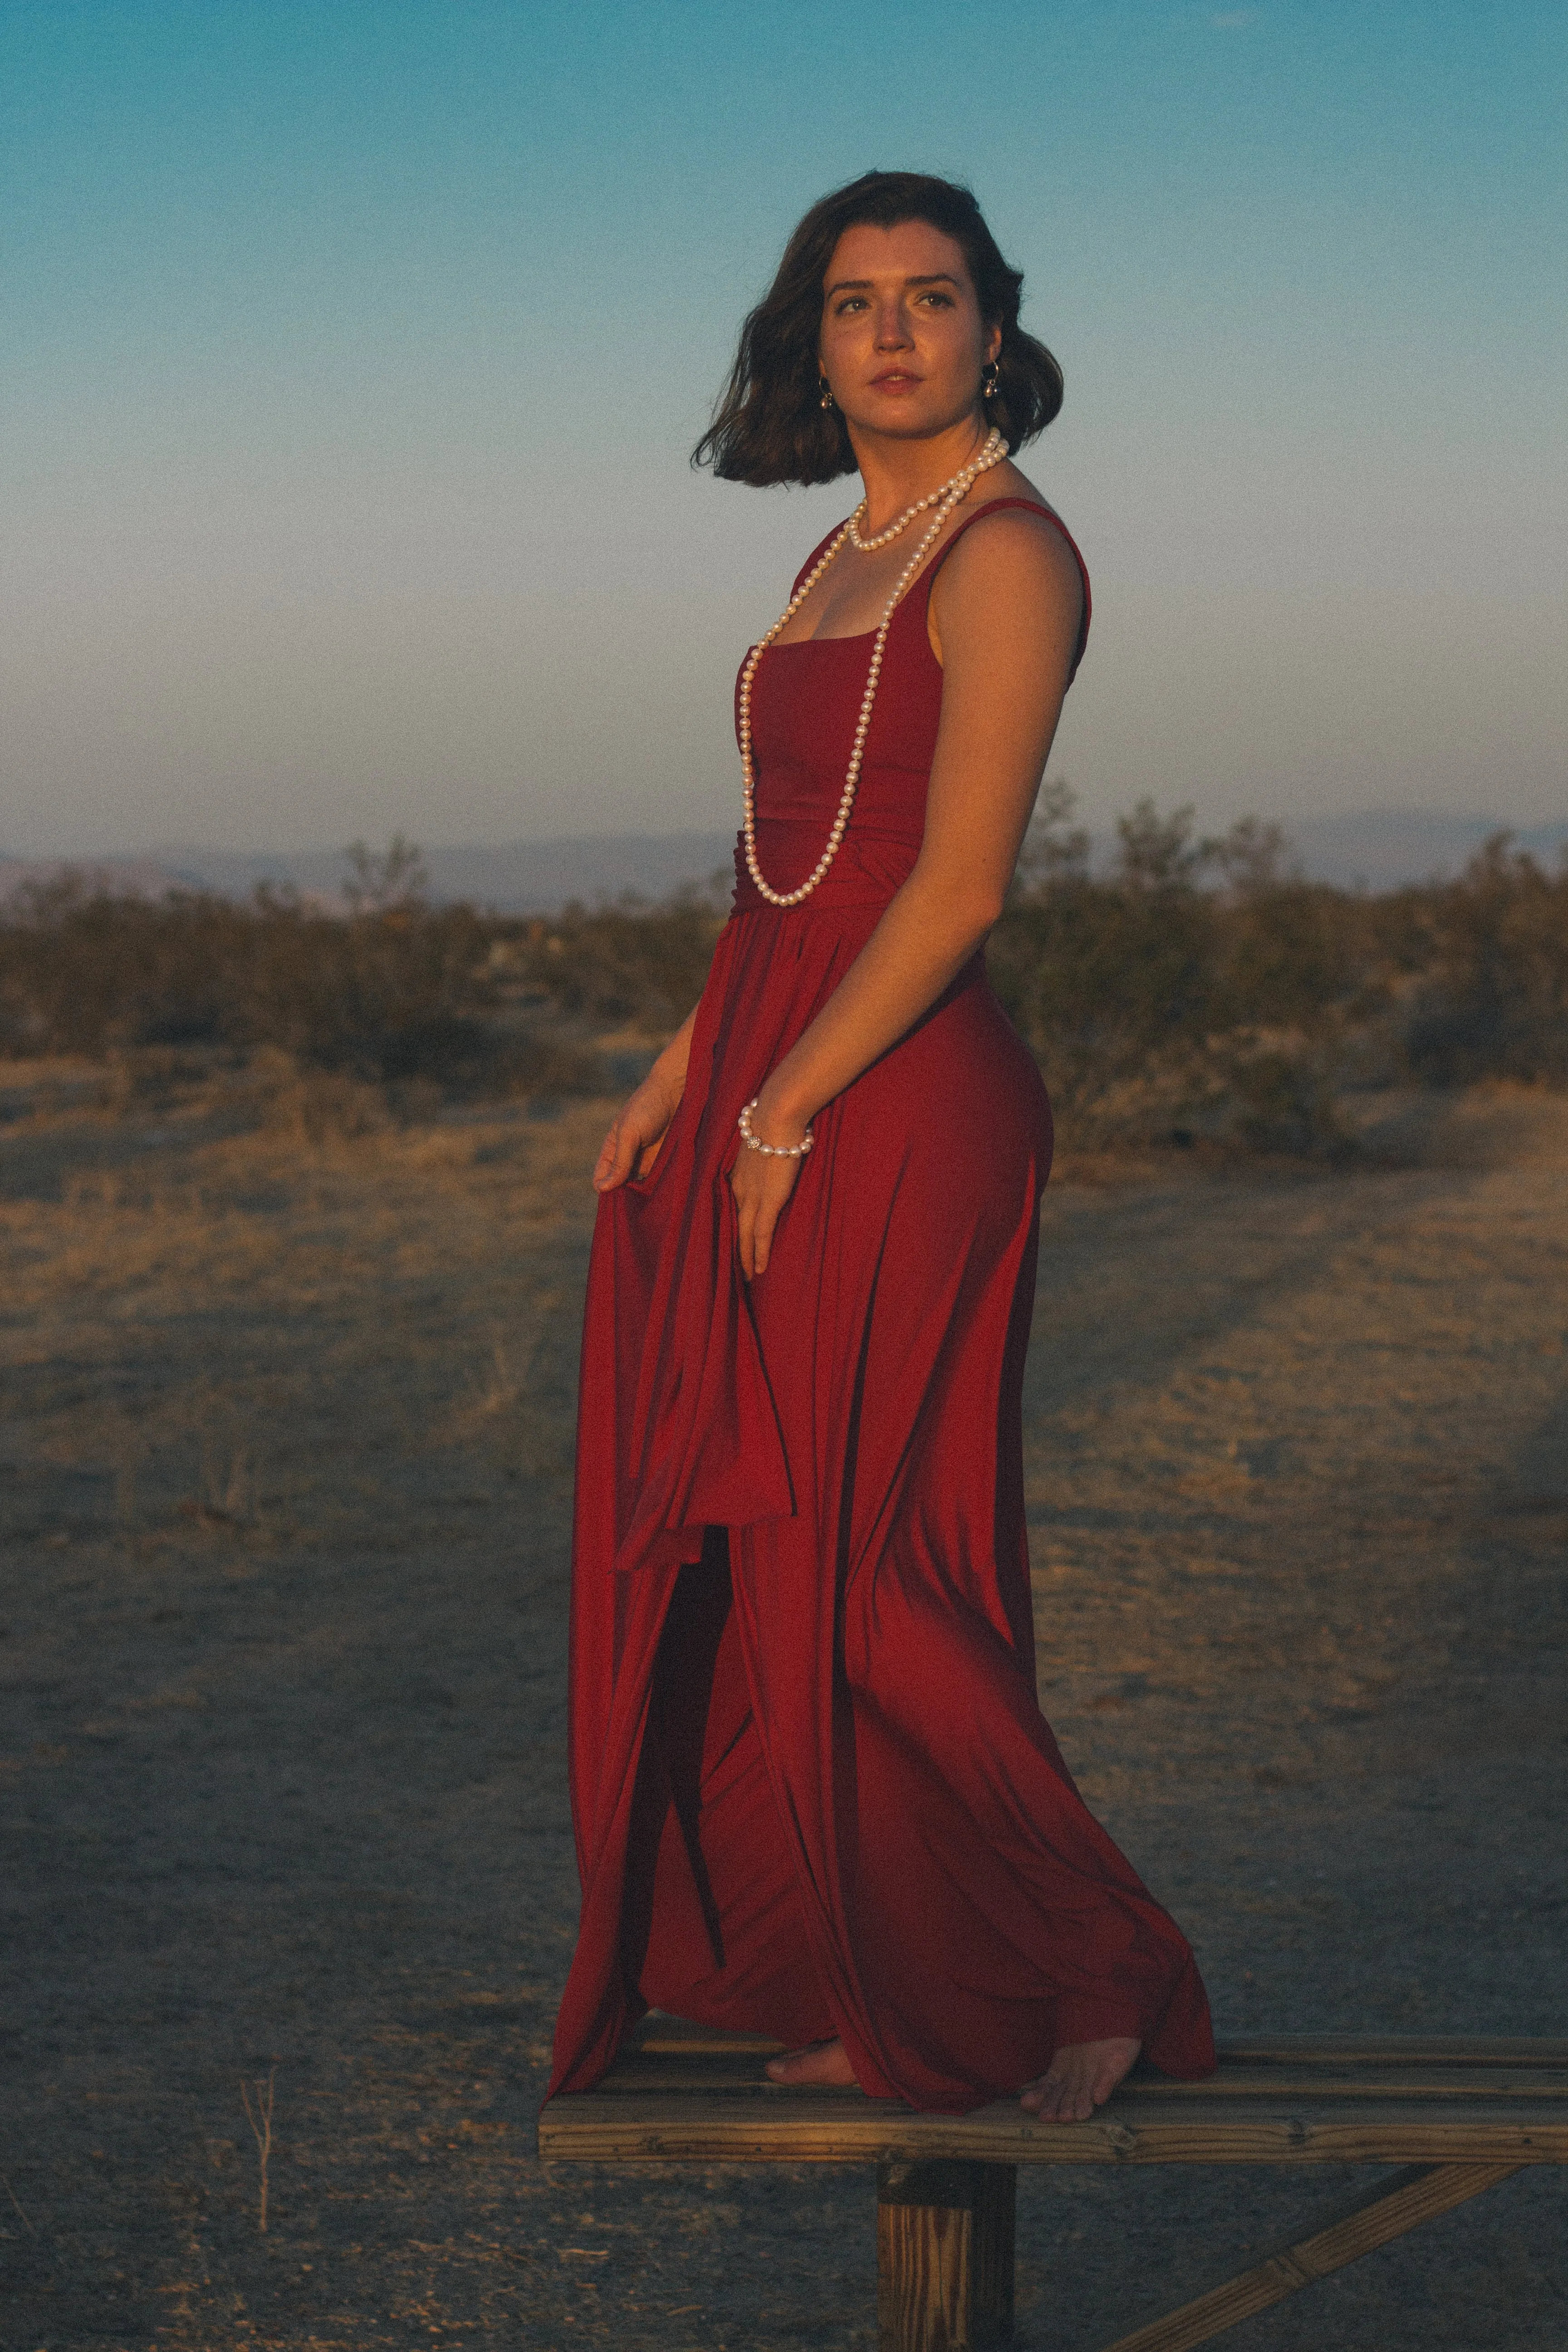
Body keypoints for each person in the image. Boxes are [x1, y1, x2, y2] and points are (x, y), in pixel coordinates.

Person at [547, 172, 1215, 2121]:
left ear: (996, 331)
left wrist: (787, 1102)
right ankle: (900, 1983)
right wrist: (690, 1069)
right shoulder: (841, 555)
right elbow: (787, 879)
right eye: (856, 303)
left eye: (935, 299)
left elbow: (957, 890)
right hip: (779, 1051)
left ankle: (1098, 1970)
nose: (896, 332)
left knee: (875, 1562)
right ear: (809, 343)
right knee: (767, 1555)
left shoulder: (1004, 554)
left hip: (898, 1088)